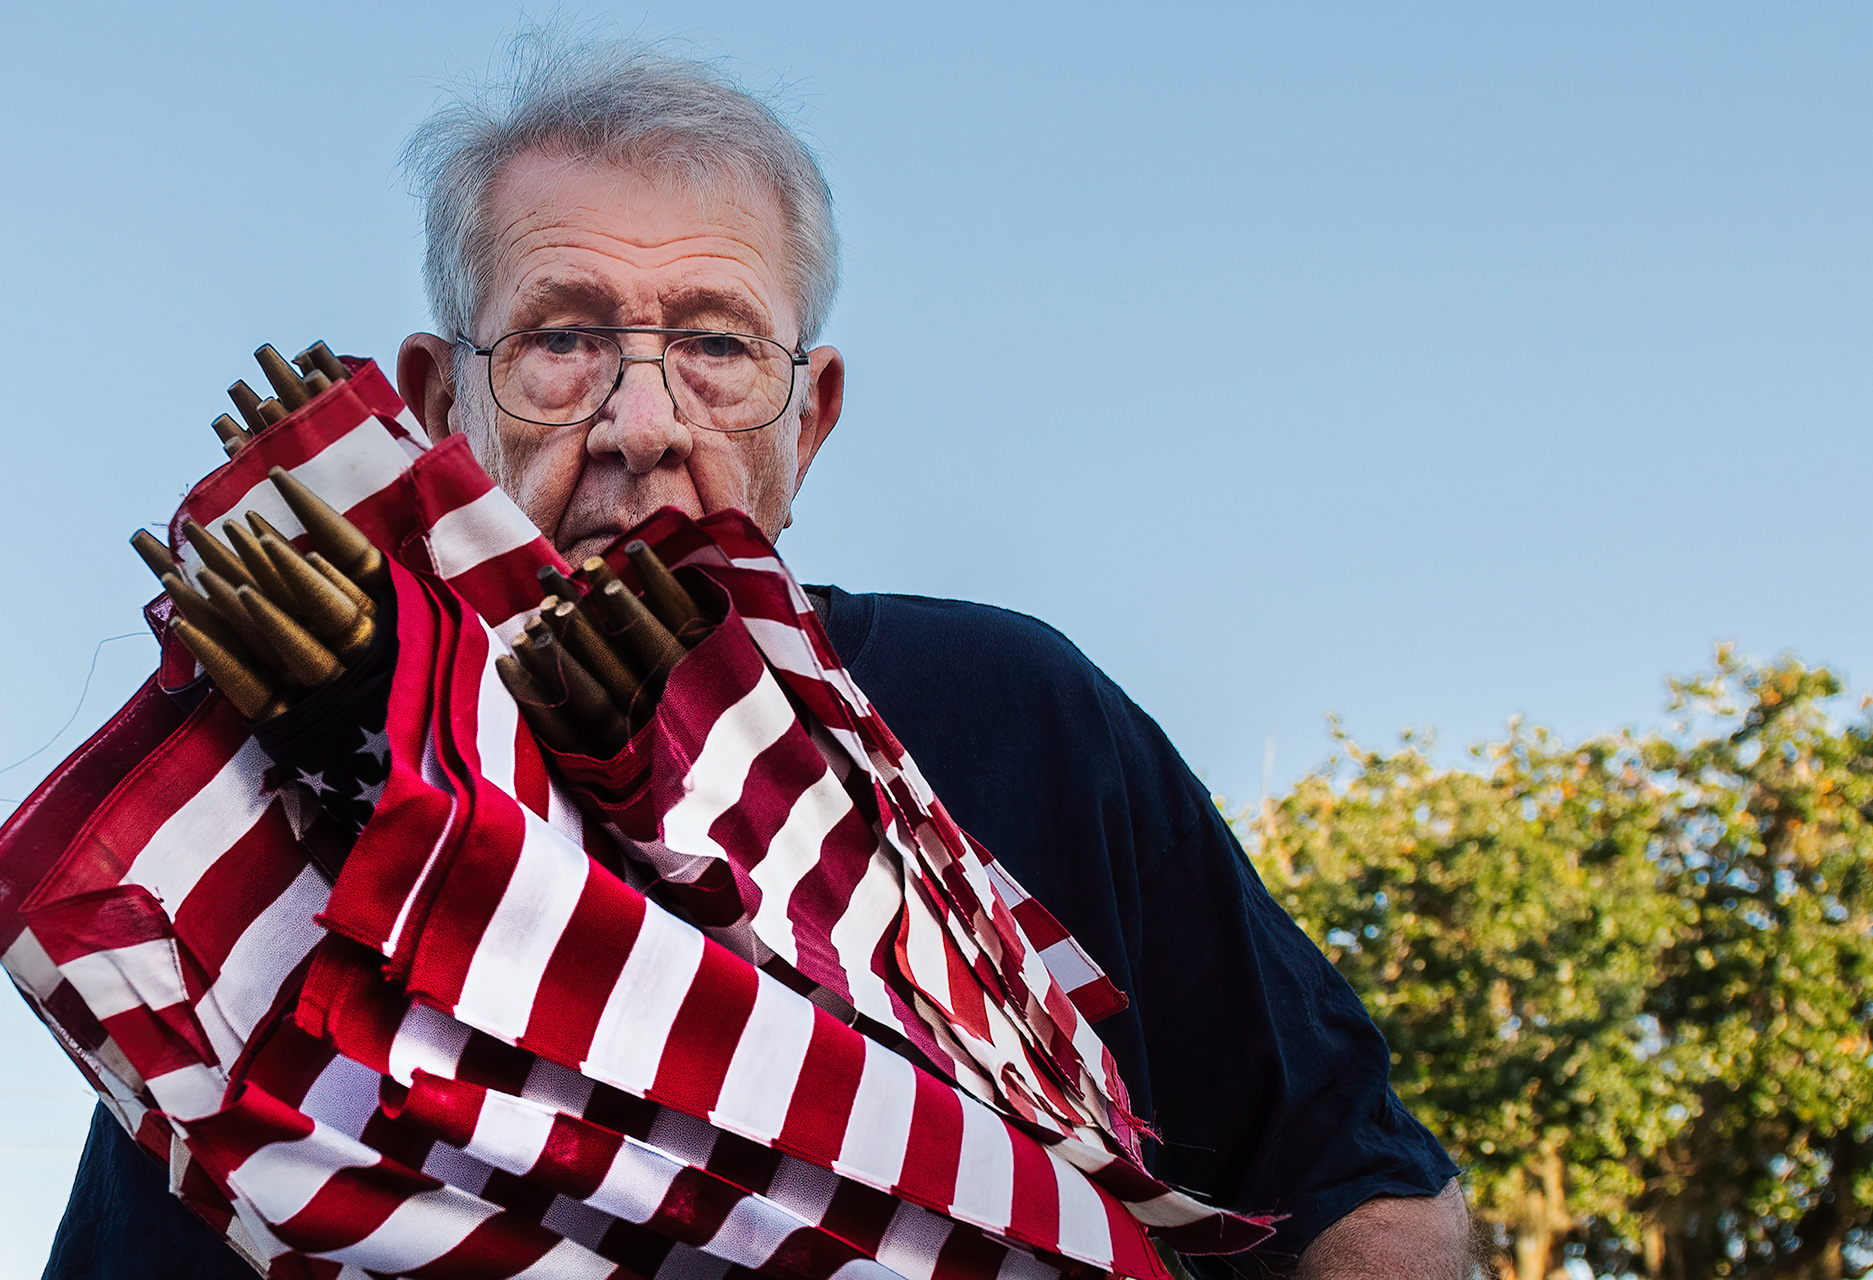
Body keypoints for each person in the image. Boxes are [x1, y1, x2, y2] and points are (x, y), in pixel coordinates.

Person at [44, 33, 1469, 1280]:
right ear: (434, 406)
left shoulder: (1020, 710)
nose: (641, 422)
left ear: (814, 420)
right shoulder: (282, 836)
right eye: (562, 339)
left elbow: (1357, 1181)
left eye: (718, 345)